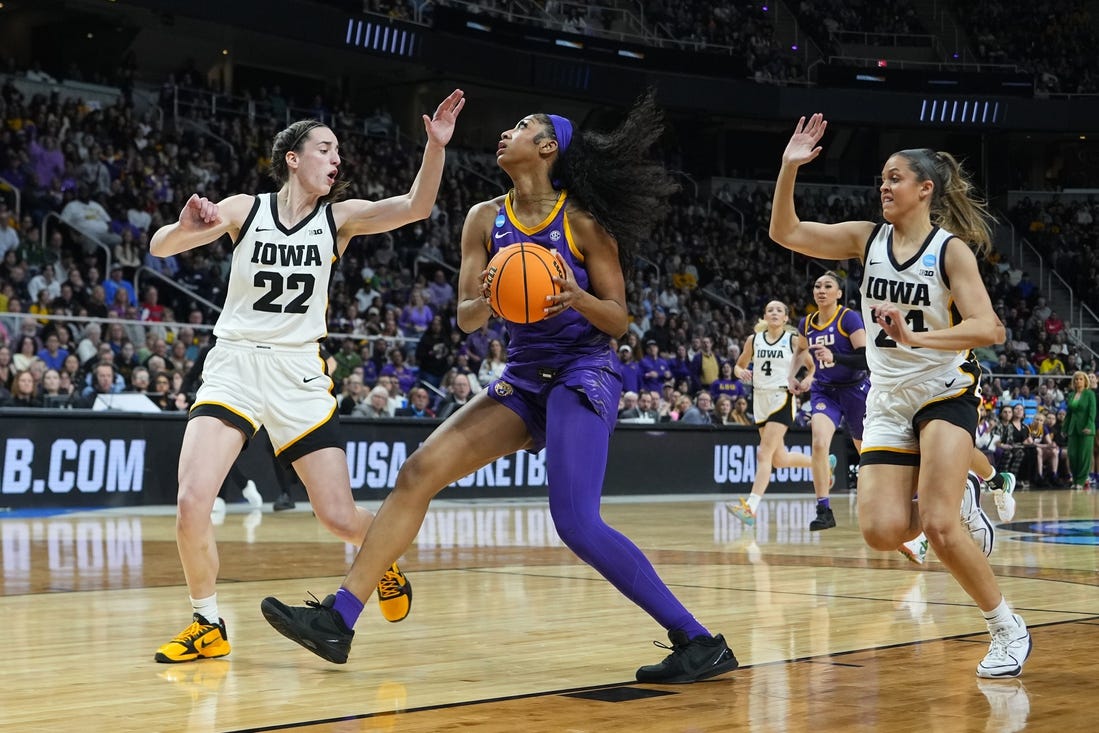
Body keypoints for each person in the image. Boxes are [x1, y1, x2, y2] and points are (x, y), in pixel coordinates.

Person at [259, 92, 738, 683]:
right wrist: (487, 295)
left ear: (547, 147)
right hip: (523, 375)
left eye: (521, 125)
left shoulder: (582, 222)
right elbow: (465, 318)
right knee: (417, 473)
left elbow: (619, 320)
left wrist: (577, 297)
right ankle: (340, 618)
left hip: (584, 370)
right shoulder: (484, 218)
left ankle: (697, 640)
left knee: (575, 522)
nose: (504, 132)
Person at [147, 88, 466, 664]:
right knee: (192, 500)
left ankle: (381, 562)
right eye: (325, 148)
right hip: (235, 365)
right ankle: (207, 622)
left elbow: (417, 206)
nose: (336, 158)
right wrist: (185, 223)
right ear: (293, 158)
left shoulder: (339, 220)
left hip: (298, 373)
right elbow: (161, 248)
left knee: (338, 517)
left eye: (338, 151)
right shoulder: (245, 209)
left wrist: (435, 148)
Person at [769, 113, 1031, 678]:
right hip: (887, 397)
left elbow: (990, 329)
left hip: (943, 388)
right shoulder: (867, 239)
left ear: (925, 189)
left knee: (937, 525)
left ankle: (1007, 627)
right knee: (882, 531)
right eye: (881, 180)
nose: (883, 187)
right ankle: (961, 494)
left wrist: (918, 337)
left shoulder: (950, 251)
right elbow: (785, 233)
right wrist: (789, 168)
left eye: (894, 178)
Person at [790, 271, 868, 531]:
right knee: (819, 442)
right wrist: (792, 375)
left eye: (827, 286)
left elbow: (866, 359)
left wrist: (835, 357)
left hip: (856, 389)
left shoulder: (849, 318)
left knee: (865, 451)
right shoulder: (807, 323)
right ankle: (824, 509)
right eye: (817, 286)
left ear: (838, 293)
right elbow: (801, 350)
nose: (821, 290)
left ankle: (884, 497)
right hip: (825, 390)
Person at [726, 300, 814, 526]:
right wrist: (740, 372)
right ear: (765, 317)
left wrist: (807, 380)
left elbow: (812, 367)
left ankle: (750, 508)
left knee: (763, 454)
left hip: (781, 397)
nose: (774, 313)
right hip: (760, 399)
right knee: (779, 459)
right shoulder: (753, 340)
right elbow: (739, 365)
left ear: (786, 318)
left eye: (779, 310)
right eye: (770, 310)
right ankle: (820, 463)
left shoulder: (793, 340)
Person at [1064, 370, 1096, 489]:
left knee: (1084, 456)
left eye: (1081, 379)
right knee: (1072, 455)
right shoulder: (1071, 395)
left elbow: (1092, 412)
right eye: (1076, 379)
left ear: (1085, 381)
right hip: (1073, 428)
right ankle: (1075, 479)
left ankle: (1081, 481)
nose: (1078, 381)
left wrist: (1089, 425)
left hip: (1086, 429)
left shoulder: (1089, 394)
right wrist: (1064, 428)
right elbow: (1068, 413)